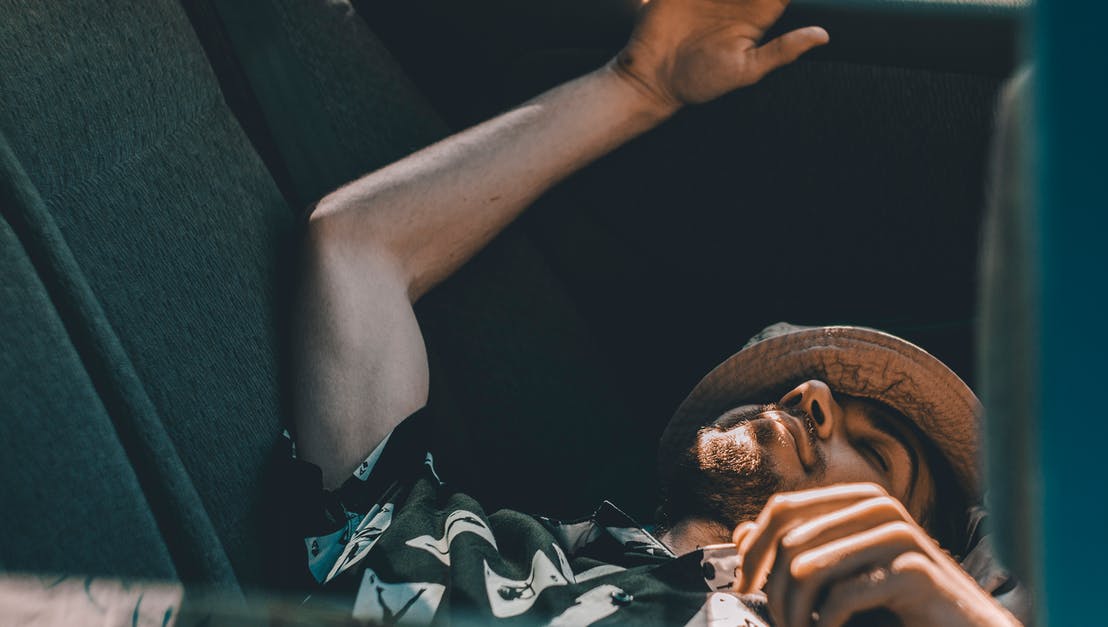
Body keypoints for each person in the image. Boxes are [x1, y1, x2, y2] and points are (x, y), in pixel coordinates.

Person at [291, 0, 1027, 624]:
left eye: (878, 452)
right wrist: (639, 84)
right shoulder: (459, 546)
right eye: (801, 389)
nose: (815, 397)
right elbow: (358, 248)